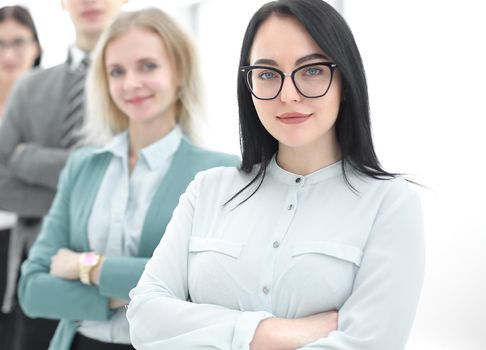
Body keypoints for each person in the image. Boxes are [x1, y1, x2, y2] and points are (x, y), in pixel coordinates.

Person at [127, 0, 425, 349]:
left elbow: (369, 344)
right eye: (268, 74)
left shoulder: (390, 203)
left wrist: (200, 331)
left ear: (345, 80)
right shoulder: (207, 190)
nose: (288, 95)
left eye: (312, 70)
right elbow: (145, 318)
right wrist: (267, 333)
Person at [18, 7, 239, 350]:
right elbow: (32, 290)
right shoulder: (83, 167)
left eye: (148, 66)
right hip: (76, 343)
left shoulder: (219, 174)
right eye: (116, 71)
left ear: (179, 71)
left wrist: (86, 266)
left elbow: (205, 288)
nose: (131, 83)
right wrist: (140, 293)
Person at [0, 1, 126, 349]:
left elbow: (139, 174)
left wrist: (30, 160)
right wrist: (93, 181)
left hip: (117, 271)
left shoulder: (140, 88)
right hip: (41, 271)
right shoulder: (29, 88)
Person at [0, 5, 41, 349]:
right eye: (0, 44)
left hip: (32, 241)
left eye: (18, 42)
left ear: (36, 47)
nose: (9, 54)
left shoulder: (52, 107)